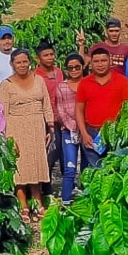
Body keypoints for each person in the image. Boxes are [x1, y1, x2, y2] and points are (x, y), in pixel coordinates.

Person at [0, 49, 55, 223]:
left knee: (36, 164)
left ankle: (38, 203)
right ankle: (24, 206)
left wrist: (50, 126)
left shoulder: (39, 80)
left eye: (24, 62)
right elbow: (3, 112)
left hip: (37, 126)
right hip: (16, 127)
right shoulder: (6, 84)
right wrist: (7, 137)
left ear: (29, 62)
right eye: (18, 62)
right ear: (12, 64)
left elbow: (46, 103)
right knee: (20, 168)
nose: (22, 65)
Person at [75, 48, 128, 169]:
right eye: (96, 61)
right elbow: (79, 110)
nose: (100, 64)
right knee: (96, 170)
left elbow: (127, 109)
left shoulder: (122, 81)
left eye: (103, 60)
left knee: (115, 170)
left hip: (116, 132)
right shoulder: (84, 83)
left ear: (110, 61)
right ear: (91, 63)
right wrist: (84, 134)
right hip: (92, 133)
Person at [53, 54, 85, 205]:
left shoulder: (88, 84)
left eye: (77, 67)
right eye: (70, 67)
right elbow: (60, 111)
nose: (74, 70)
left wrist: (83, 127)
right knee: (70, 167)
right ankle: (65, 201)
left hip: (88, 130)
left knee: (88, 167)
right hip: (68, 130)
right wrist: (73, 127)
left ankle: (88, 200)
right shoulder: (62, 87)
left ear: (82, 67)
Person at [34, 41, 64, 198]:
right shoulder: (35, 76)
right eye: (46, 55)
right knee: (49, 154)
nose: (50, 58)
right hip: (45, 120)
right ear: (38, 58)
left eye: (51, 54)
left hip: (60, 118)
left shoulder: (59, 72)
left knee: (59, 152)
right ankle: (45, 187)